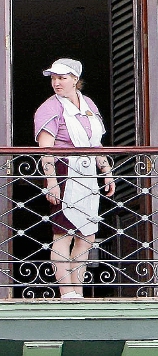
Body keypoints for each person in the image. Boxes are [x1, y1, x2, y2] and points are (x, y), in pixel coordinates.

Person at [33, 58, 115, 300]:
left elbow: (96, 143)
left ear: (75, 79)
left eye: (62, 77)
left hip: (87, 175)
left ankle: (78, 291)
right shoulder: (50, 108)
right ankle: (66, 291)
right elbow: (46, 149)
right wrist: (51, 181)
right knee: (63, 233)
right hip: (63, 171)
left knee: (86, 237)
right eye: (54, 78)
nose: (57, 82)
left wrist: (106, 172)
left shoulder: (88, 104)